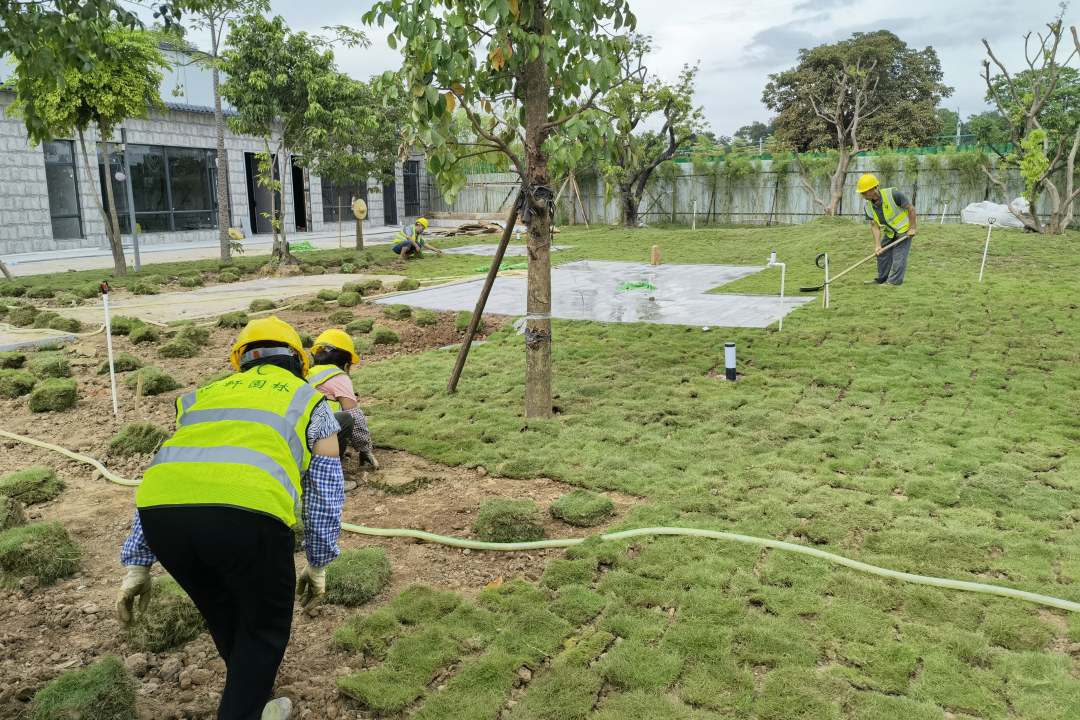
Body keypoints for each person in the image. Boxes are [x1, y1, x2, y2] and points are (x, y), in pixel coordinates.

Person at [115, 316, 345, 720]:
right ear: (298, 359)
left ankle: (251, 696)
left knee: (225, 613)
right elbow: (325, 493)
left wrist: (137, 561)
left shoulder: (202, 397)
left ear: (240, 359)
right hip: (249, 522)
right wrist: (320, 562)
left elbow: (172, 467)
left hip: (163, 520)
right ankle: (246, 708)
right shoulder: (309, 401)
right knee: (263, 632)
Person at [306, 329, 378, 470]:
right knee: (346, 419)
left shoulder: (308, 372)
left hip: (301, 438)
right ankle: (330, 471)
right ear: (346, 363)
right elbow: (354, 416)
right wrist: (365, 449)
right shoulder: (338, 377)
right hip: (318, 442)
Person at [858, 173, 918, 286]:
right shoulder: (868, 206)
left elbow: (911, 209)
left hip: (904, 229)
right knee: (881, 253)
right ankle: (881, 279)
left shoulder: (893, 194)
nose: (862, 195)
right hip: (890, 232)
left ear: (872, 189)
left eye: (864, 192)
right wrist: (877, 245)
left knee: (899, 256)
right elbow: (874, 225)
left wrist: (912, 228)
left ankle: (893, 282)